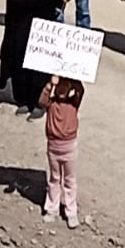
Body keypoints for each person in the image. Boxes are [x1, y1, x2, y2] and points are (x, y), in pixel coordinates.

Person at [0, 0, 61, 115]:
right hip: (18, 29)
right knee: (19, 64)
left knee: (39, 66)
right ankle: (24, 100)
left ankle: (39, 102)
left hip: (40, 30)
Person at [39, 75, 84, 229]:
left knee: (69, 180)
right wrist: (50, 85)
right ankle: (52, 209)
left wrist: (75, 80)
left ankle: (71, 212)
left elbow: (80, 90)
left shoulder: (73, 103)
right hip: (53, 146)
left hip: (69, 146)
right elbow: (41, 101)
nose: (62, 91)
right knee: (54, 179)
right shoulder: (51, 103)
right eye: (60, 87)